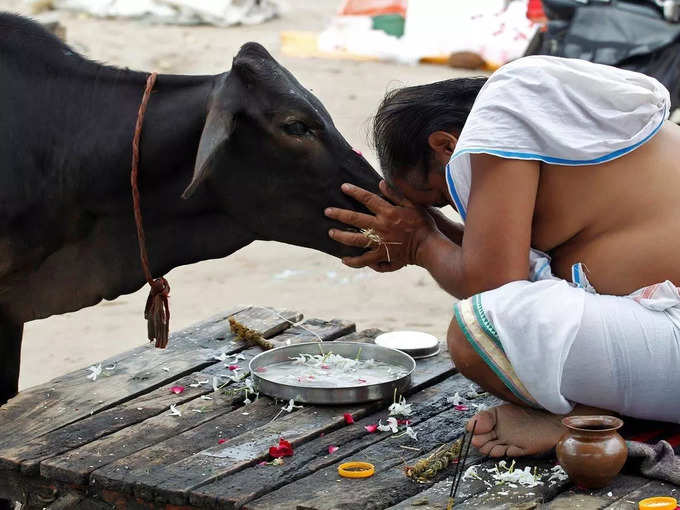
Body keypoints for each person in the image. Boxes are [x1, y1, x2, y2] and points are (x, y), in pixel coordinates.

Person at [324, 55, 680, 457]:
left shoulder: (505, 104)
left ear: (447, 146)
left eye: (444, 199)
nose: (459, 212)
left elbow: (494, 289)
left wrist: (421, 244)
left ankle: (586, 421)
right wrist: (424, 232)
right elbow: (509, 271)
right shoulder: (554, 136)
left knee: (474, 333)